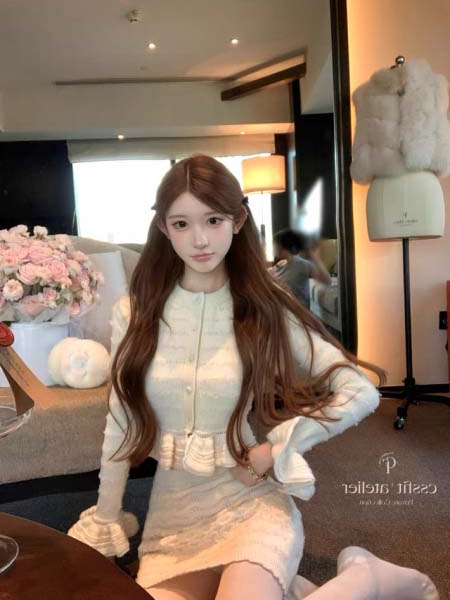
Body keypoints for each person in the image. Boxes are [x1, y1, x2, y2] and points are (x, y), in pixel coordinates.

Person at [68, 155, 439, 600]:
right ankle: (342, 580)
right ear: (164, 228)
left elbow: (359, 390)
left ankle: (367, 580)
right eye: (182, 224)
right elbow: (120, 423)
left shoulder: (265, 306)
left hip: (250, 505)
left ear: (238, 220)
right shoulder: (133, 313)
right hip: (174, 522)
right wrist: (106, 517)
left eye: (214, 220)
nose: (200, 239)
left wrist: (274, 450)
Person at [270, 229, 332, 310]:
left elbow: (327, 281)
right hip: (280, 310)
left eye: (273, 245)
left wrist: (313, 256)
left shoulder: (302, 264)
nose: (272, 249)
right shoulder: (281, 263)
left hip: (295, 312)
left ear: (280, 247)